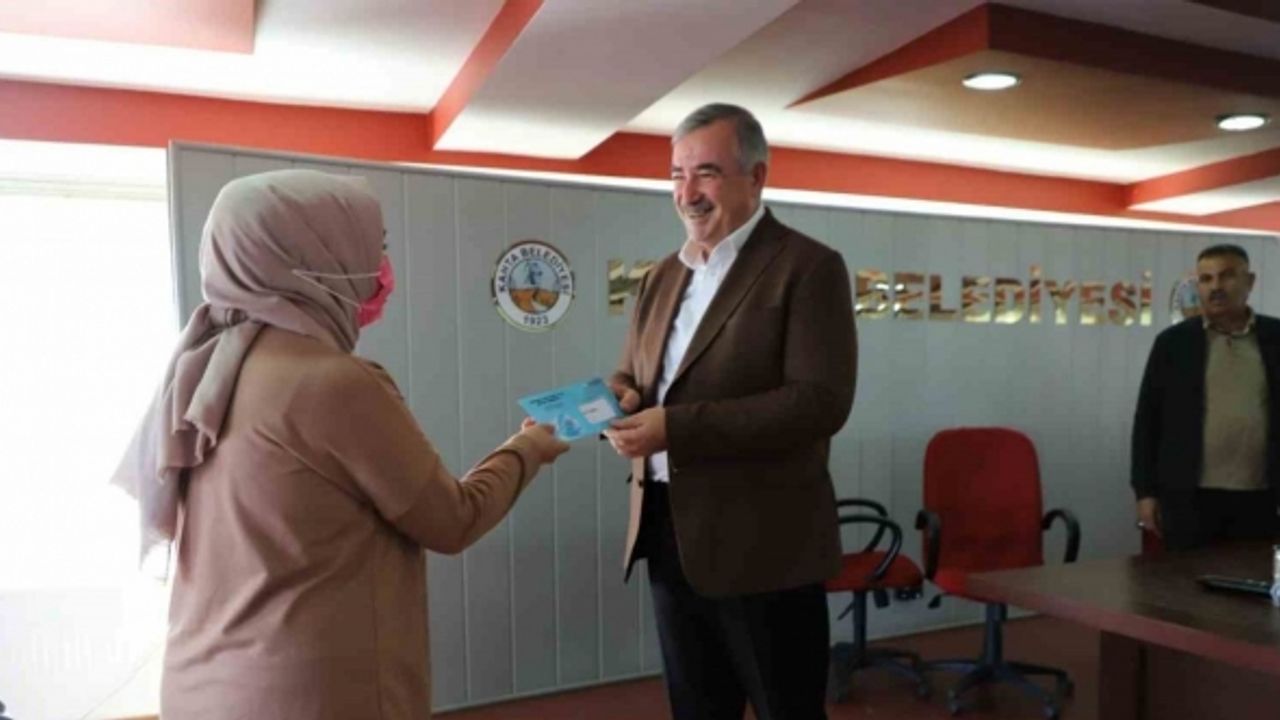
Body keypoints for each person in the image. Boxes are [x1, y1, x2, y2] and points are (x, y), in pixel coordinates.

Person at [111, 169, 568, 719]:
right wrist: (530, 447)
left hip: (200, 690)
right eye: (371, 247)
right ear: (314, 256)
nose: (381, 268)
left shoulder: (198, 373)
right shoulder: (335, 383)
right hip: (309, 695)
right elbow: (453, 519)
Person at [605, 103, 857, 719]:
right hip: (668, 532)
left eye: (707, 173)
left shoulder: (808, 267)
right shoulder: (661, 276)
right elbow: (635, 376)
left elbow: (818, 402)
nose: (687, 193)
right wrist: (617, 400)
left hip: (763, 545)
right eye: (677, 174)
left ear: (757, 176)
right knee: (697, 709)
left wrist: (674, 428)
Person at [1131, 243, 1280, 551]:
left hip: (1261, 495)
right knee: (1185, 579)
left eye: (1227, 276)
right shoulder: (1173, 344)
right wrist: (1145, 493)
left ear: (1249, 282)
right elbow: (1147, 421)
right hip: (1189, 496)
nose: (1216, 287)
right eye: (1206, 279)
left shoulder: (1275, 339)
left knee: (1253, 577)